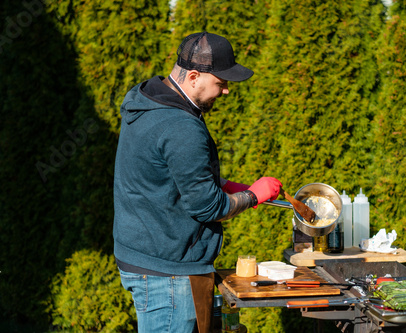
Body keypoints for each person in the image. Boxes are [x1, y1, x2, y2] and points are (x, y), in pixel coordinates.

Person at [113, 32, 282, 333]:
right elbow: (207, 207)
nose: (226, 90)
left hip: (142, 256)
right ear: (193, 77)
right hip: (168, 273)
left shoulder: (148, 99)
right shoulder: (180, 126)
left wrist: (227, 184)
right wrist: (253, 196)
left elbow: (166, 169)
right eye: (221, 82)